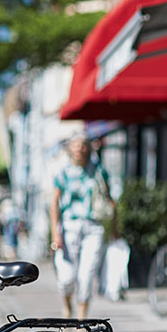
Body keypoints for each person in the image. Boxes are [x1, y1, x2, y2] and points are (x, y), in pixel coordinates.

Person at [50, 133, 115, 319]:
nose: (79, 148)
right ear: (70, 148)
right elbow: (54, 203)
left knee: (87, 275)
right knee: (67, 277)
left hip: (94, 227)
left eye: (83, 145)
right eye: (76, 145)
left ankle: (81, 318)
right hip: (69, 226)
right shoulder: (63, 173)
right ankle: (67, 304)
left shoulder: (99, 171)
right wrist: (55, 233)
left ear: (89, 148)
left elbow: (109, 200)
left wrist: (115, 228)